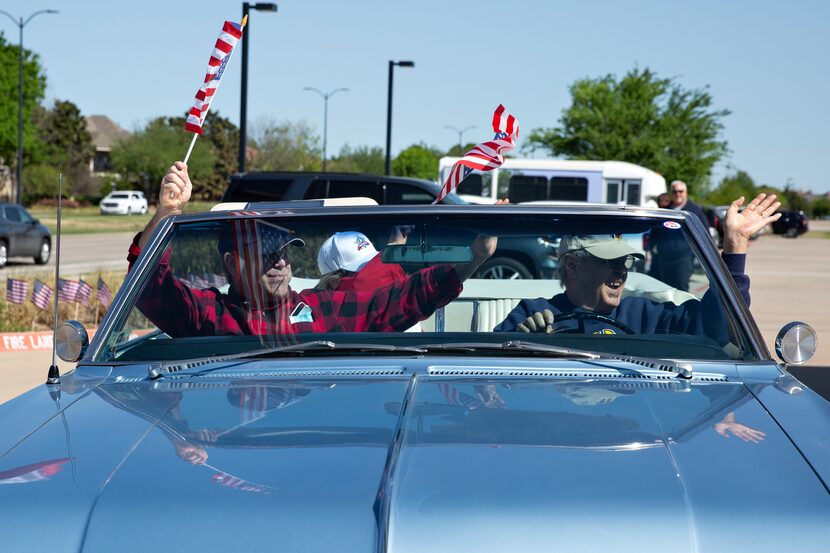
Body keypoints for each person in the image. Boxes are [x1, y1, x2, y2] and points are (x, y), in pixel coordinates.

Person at [128, 162, 496, 337]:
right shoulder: (209, 314)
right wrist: (167, 212)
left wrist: (476, 255)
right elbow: (148, 288)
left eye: (286, 251)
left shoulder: (321, 308)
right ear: (232, 263)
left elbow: (404, 299)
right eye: (268, 252)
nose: (282, 262)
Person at [493, 192, 781, 338]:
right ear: (572, 266)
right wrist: (520, 342)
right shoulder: (531, 313)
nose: (622, 270)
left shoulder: (644, 314)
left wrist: (735, 246)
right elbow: (489, 374)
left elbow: (718, 325)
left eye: (625, 260)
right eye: (609, 260)